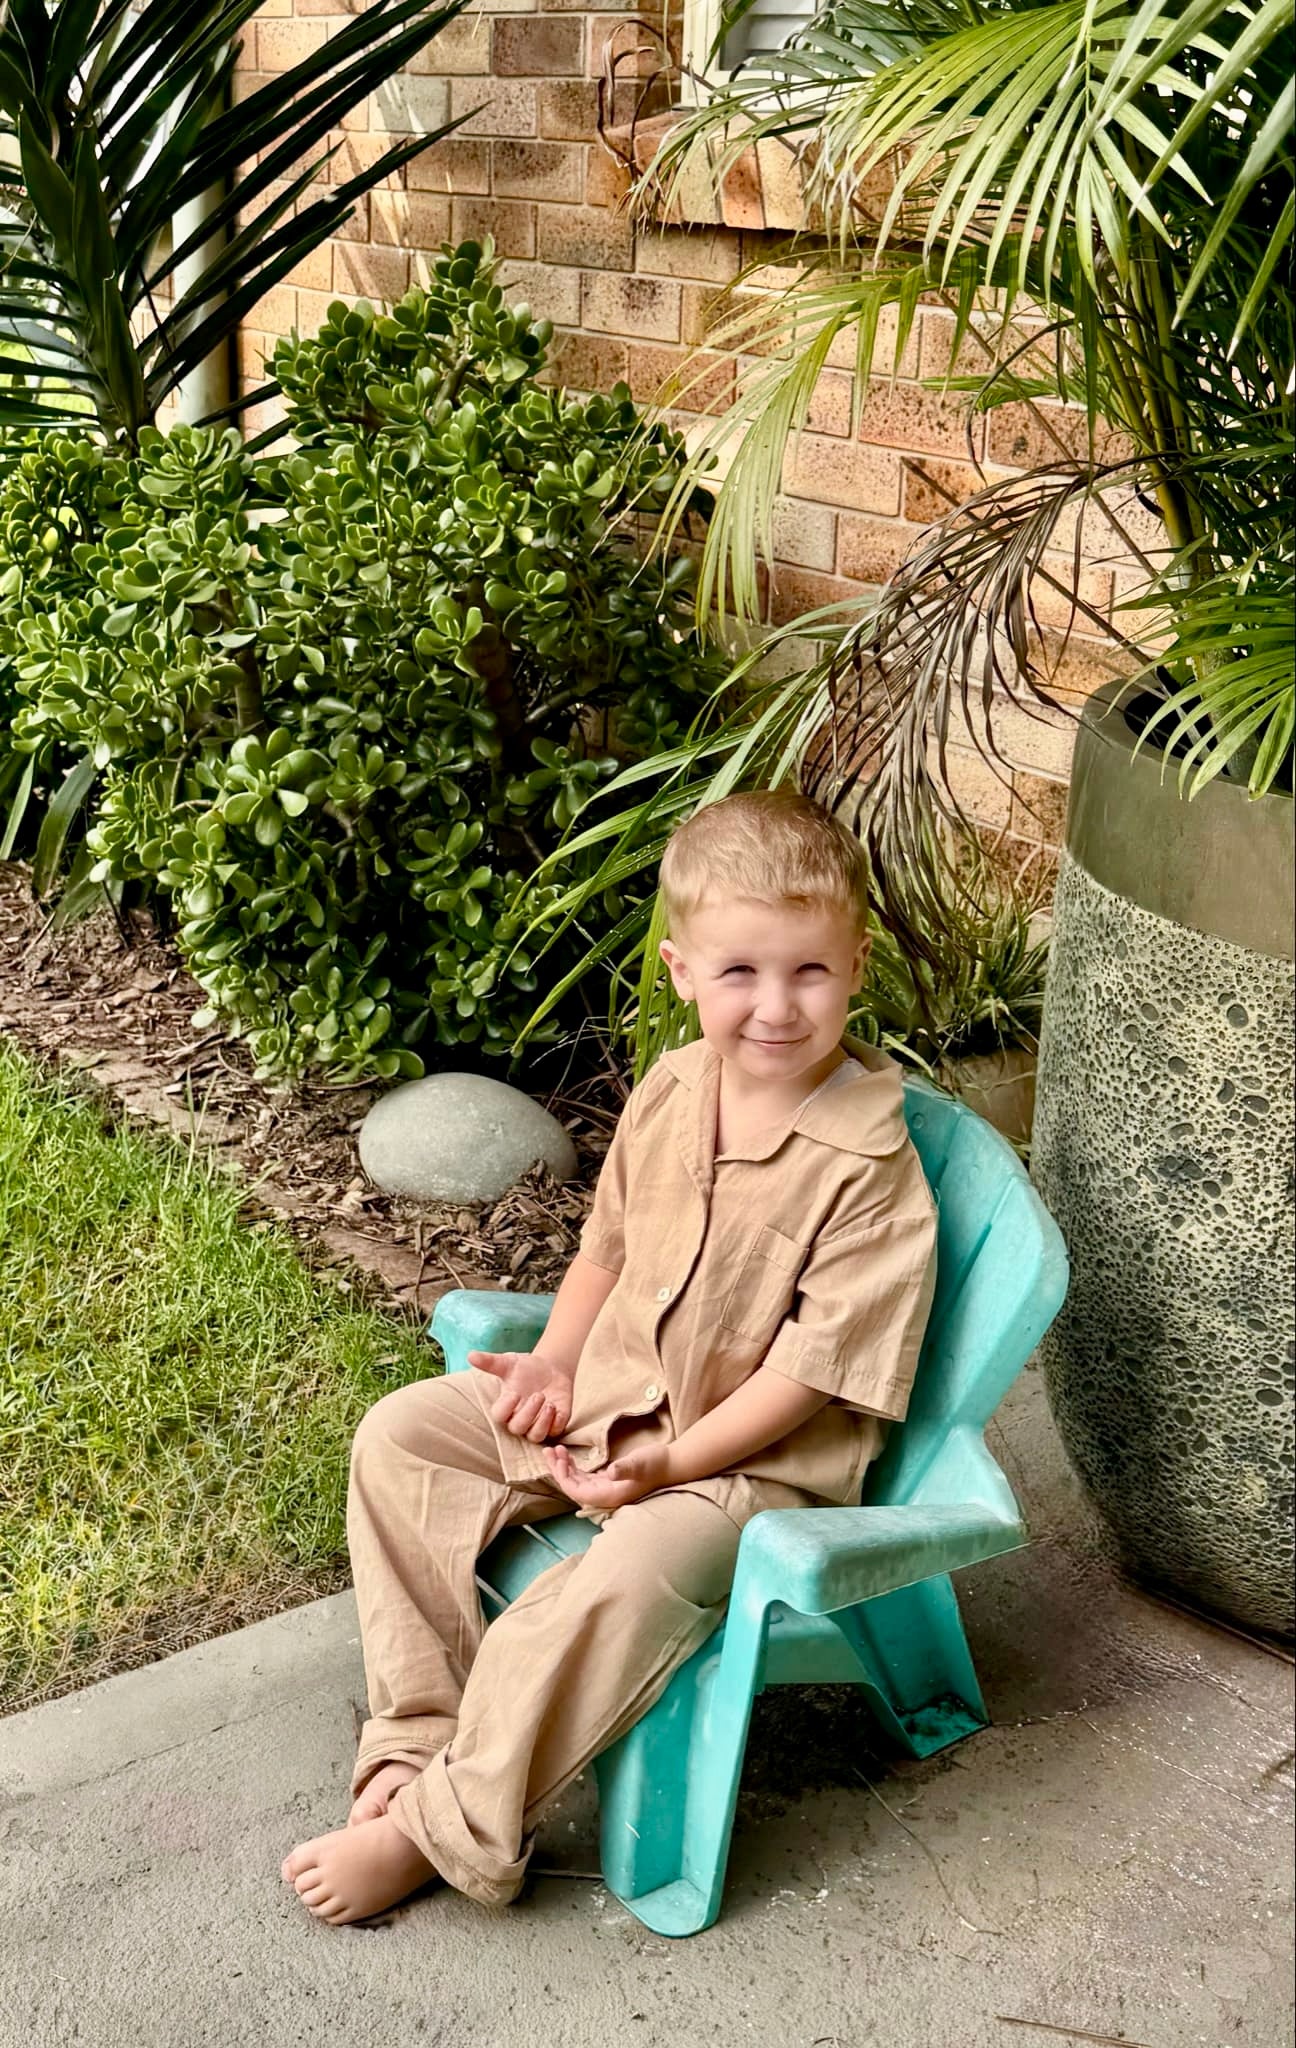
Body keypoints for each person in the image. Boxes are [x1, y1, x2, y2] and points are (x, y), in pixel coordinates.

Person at [282, 789, 938, 1925]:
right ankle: (419, 1733)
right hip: (610, 1397)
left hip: (748, 1473)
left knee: (615, 1580)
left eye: (809, 972)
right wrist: (553, 1363)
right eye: (740, 972)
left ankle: (446, 1827)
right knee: (402, 1438)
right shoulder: (676, 1089)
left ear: (856, 964)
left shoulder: (869, 1170)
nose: (776, 1005)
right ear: (682, 972)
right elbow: (608, 1246)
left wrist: (672, 1464)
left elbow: (806, 1380)